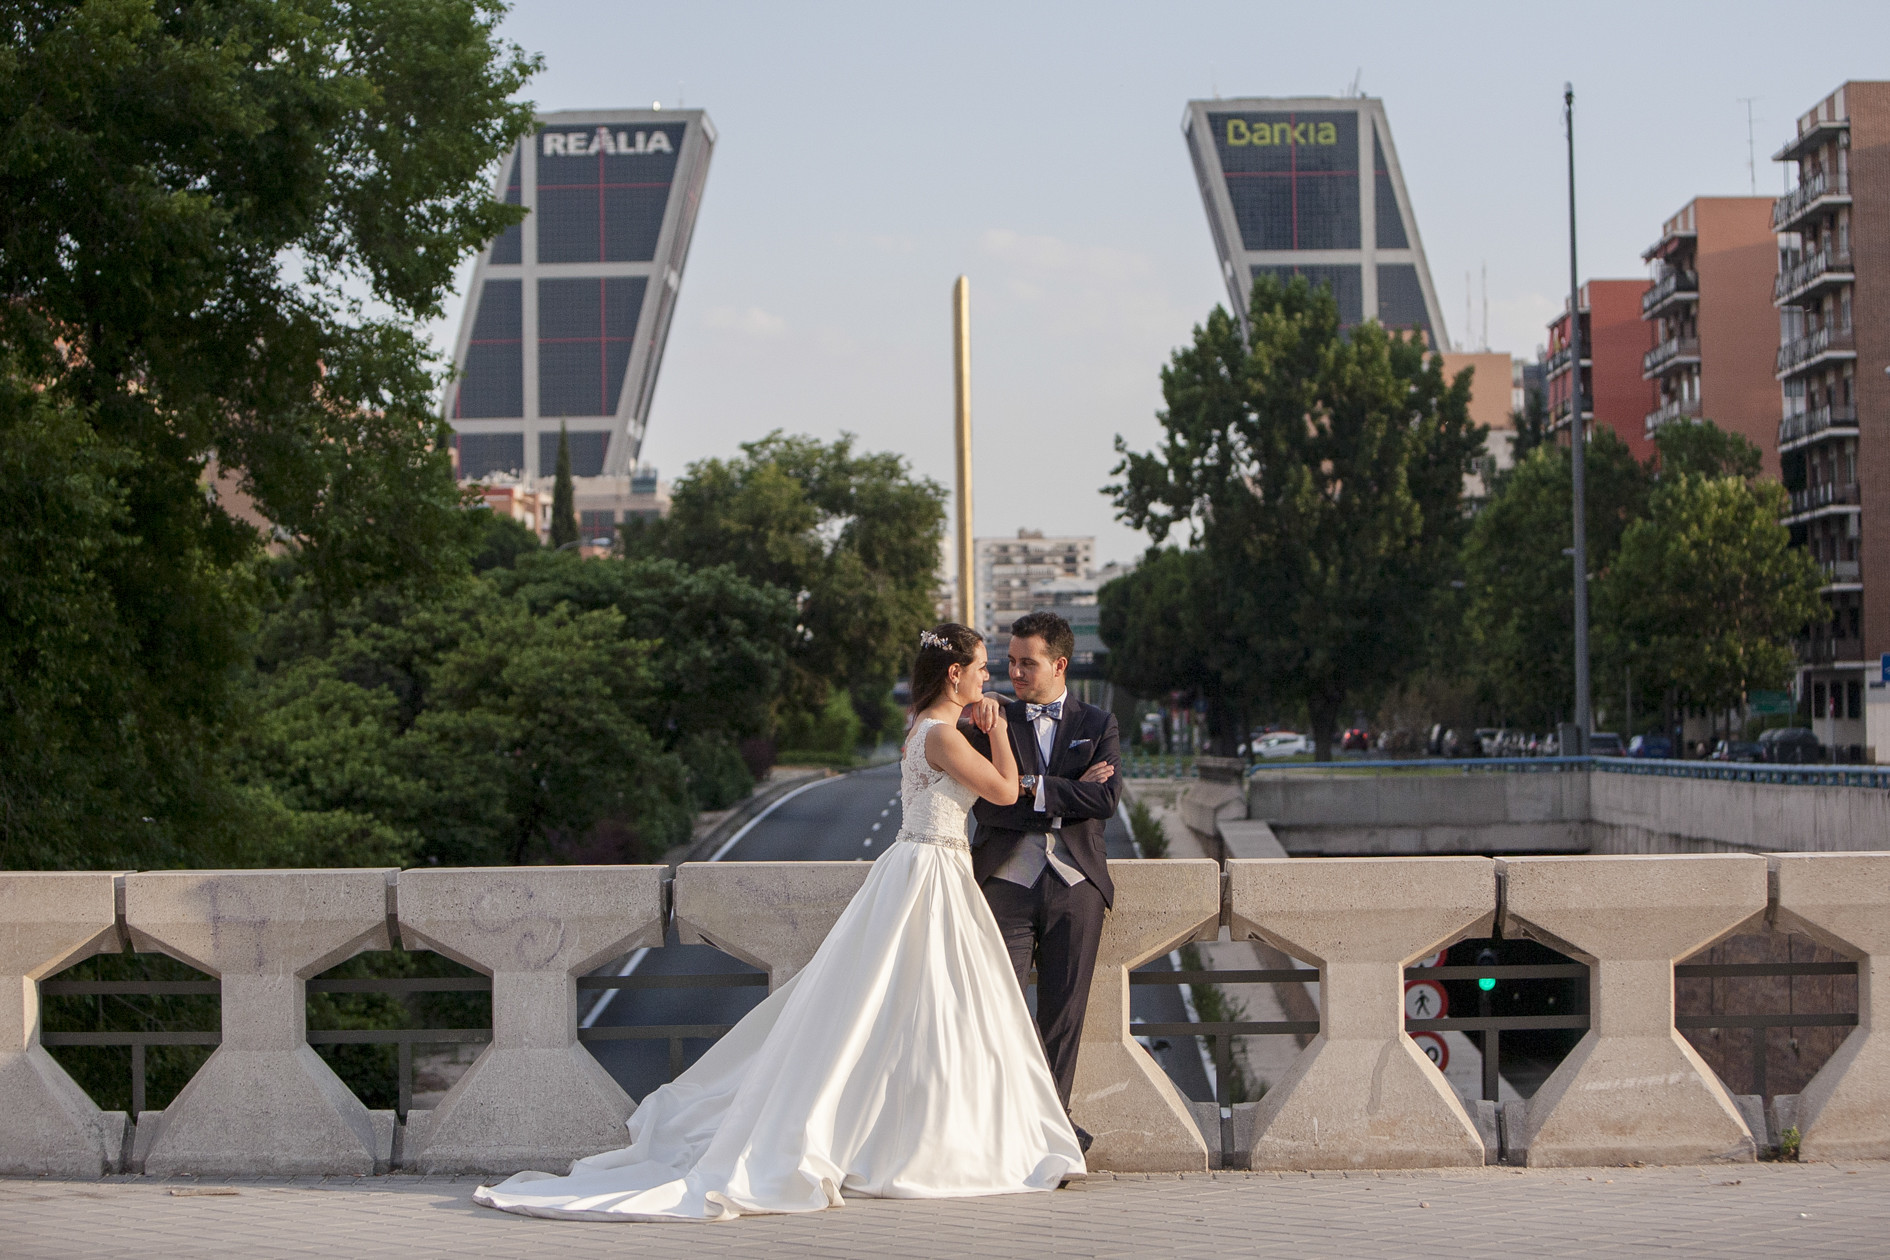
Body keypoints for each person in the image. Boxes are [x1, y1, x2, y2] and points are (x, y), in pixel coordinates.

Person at [473, 623, 1085, 1223]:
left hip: (927, 867)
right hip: (931, 871)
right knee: (921, 1005)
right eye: (980, 667)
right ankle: (918, 1144)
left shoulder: (924, 728)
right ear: (955, 675)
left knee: (912, 1009)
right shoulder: (944, 735)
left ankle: (914, 1137)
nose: (989, 677)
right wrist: (1000, 730)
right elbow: (1006, 793)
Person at [963, 612, 1122, 1152]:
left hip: (1077, 886)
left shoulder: (1098, 724)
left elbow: (1104, 800)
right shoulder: (989, 720)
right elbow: (990, 803)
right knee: (999, 1009)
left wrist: (1028, 787)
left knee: (1063, 1015)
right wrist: (1057, 789)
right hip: (1005, 881)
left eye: (1026, 663)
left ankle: (1050, 1132)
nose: (1014, 673)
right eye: (1009, 662)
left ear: (1059, 664)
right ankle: (1008, 1125)